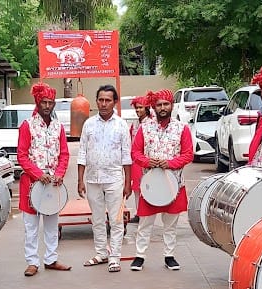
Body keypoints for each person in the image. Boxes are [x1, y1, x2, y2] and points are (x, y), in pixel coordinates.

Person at [129, 89, 194, 271]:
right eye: (159, 105)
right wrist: (148, 161)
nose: (163, 108)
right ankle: (140, 256)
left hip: (173, 184)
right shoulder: (145, 127)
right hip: (150, 184)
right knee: (145, 223)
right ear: (154, 106)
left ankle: (169, 256)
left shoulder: (182, 128)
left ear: (172, 105)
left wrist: (170, 163)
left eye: (166, 104)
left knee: (170, 224)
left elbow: (188, 155)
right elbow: (135, 153)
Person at [17, 82, 71, 277]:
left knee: (51, 224)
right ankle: (32, 262)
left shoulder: (58, 127)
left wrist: (59, 174)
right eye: (44, 102)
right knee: (31, 226)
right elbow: (21, 156)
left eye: (50, 102)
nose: (47, 106)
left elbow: (64, 154)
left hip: (53, 184)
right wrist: (39, 174)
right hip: (31, 184)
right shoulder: (27, 126)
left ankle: (51, 259)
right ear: (37, 102)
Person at [77, 84, 132, 273]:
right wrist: (80, 180)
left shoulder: (121, 125)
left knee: (116, 221)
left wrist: (128, 182)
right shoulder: (89, 124)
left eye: (108, 100)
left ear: (115, 102)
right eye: (100, 100)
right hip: (92, 179)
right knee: (97, 219)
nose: (104, 103)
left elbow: (127, 155)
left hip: (115, 179)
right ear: (96, 101)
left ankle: (115, 257)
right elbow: (82, 152)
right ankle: (101, 253)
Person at [129, 95, 153, 223]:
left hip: (146, 161)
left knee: (146, 187)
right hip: (135, 161)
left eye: (140, 108)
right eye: (136, 108)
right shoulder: (135, 123)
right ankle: (139, 212)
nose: (138, 110)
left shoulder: (151, 124)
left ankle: (146, 213)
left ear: (147, 108)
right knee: (137, 188)